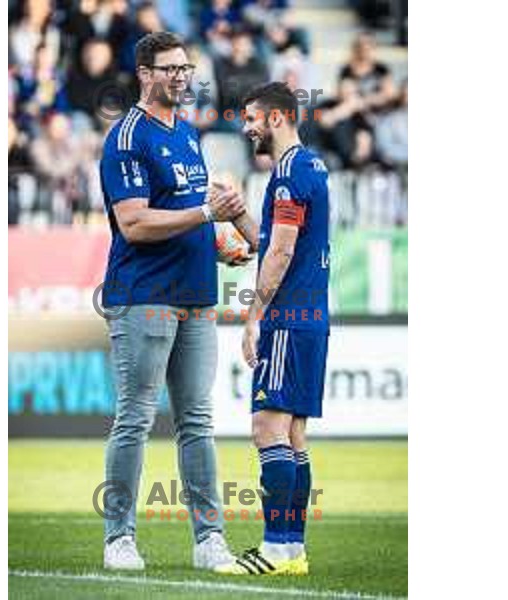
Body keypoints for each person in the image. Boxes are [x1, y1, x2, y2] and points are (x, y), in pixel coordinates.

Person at [99, 31, 256, 571]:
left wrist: (217, 245)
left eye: (185, 68)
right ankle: (118, 537)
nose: (181, 77)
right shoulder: (126, 137)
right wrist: (208, 217)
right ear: (144, 73)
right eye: (169, 68)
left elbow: (184, 214)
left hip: (195, 297)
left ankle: (209, 538)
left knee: (197, 421)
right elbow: (136, 223)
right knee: (136, 418)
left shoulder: (188, 134)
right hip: (143, 297)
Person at [218, 82, 329, 576]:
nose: (246, 129)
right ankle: (294, 551)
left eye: (251, 119)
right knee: (294, 434)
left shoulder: (287, 175)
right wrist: (240, 213)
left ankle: (275, 548)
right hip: (313, 317)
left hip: (287, 318)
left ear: (278, 118)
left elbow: (281, 253)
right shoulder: (311, 166)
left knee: (267, 427)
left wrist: (254, 316)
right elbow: (276, 242)